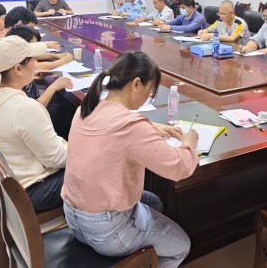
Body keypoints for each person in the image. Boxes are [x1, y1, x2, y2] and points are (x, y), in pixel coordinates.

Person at [61, 51, 199, 267]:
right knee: (181, 246)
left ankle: (139, 251)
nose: (148, 97)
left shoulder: (86, 107)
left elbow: (116, 132)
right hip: (107, 231)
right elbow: (180, 167)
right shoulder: (132, 127)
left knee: (155, 202)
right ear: (136, 84)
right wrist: (189, 143)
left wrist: (151, 126)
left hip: (73, 217)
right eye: (150, 91)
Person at [0, 36, 68, 211]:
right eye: (32, 59)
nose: (36, 63)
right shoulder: (24, 108)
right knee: (98, 163)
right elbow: (56, 158)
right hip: (30, 191)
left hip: (8, 183)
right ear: (17, 69)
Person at [0, 6, 67, 96]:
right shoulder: (7, 42)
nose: (31, 32)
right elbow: (35, 65)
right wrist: (63, 61)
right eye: (30, 28)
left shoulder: (6, 36)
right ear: (20, 24)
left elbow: (27, 53)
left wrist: (55, 56)